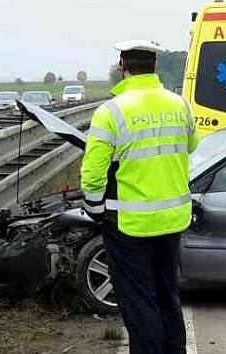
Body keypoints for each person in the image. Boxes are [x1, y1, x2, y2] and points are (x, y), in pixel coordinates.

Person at [80, 39, 198, 354]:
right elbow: (191, 146)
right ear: (155, 65)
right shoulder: (180, 105)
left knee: (139, 300)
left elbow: (92, 173)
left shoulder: (111, 112)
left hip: (129, 224)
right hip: (173, 220)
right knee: (167, 294)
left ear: (123, 67)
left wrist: (94, 208)